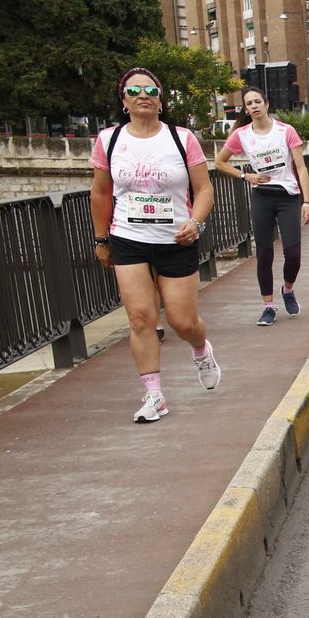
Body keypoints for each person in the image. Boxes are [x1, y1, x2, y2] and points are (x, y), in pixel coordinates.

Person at [91, 67, 222, 422]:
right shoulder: (109, 140)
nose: (143, 96)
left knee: (182, 321)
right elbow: (100, 193)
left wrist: (195, 223)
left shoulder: (181, 138)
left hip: (176, 239)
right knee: (140, 318)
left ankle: (201, 349)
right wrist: (101, 239)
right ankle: (154, 395)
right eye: (134, 91)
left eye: (151, 91)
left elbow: (204, 190)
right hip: (128, 238)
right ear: (123, 100)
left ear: (161, 100)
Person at [215, 86, 309, 326]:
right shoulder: (241, 135)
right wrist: (245, 176)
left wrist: (307, 201)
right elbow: (219, 162)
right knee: (264, 254)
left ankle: (288, 289)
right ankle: (268, 307)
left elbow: (301, 168)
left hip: (287, 195)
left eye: (257, 101)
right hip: (261, 196)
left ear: (266, 104)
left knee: (293, 254)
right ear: (246, 109)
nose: (254, 106)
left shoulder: (285, 131)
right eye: (249, 103)